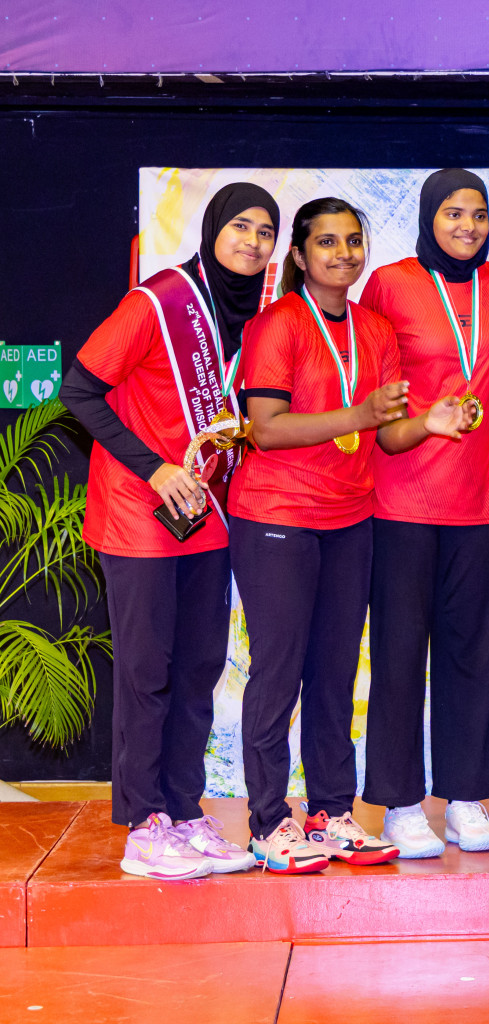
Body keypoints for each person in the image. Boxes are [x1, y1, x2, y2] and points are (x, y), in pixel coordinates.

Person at [231, 196, 474, 873]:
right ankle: (267, 822)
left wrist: (428, 424)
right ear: (300, 256)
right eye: (327, 242)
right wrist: (358, 414)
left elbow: (386, 435)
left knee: (335, 674)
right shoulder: (276, 325)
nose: (343, 254)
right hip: (277, 516)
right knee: (279, 673)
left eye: (352, 241)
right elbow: (266, 429)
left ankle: (331, 812)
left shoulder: (375, 328)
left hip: (349, 518)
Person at [63, 183, 280, 880]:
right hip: (141, 517)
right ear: (212, 229)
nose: (252, 241)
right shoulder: (157, 301)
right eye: (240, 225)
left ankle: (184, 813)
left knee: (196, 670)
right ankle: (143, 825)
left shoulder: (250, 314)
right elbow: (79, 389)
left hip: (205, 517)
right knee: (147, 671)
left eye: (266, 231)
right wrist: (153, 468)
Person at [358, 169, 489, 858]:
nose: (467, 227)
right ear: (428, 217)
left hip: (479, 497)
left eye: (478, 214)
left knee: (472, 654)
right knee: (398, 655)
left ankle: (467, 797)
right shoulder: (391, 283)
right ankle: (398, 804)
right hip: (402, 495)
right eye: (453, 213)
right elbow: (368, 381)